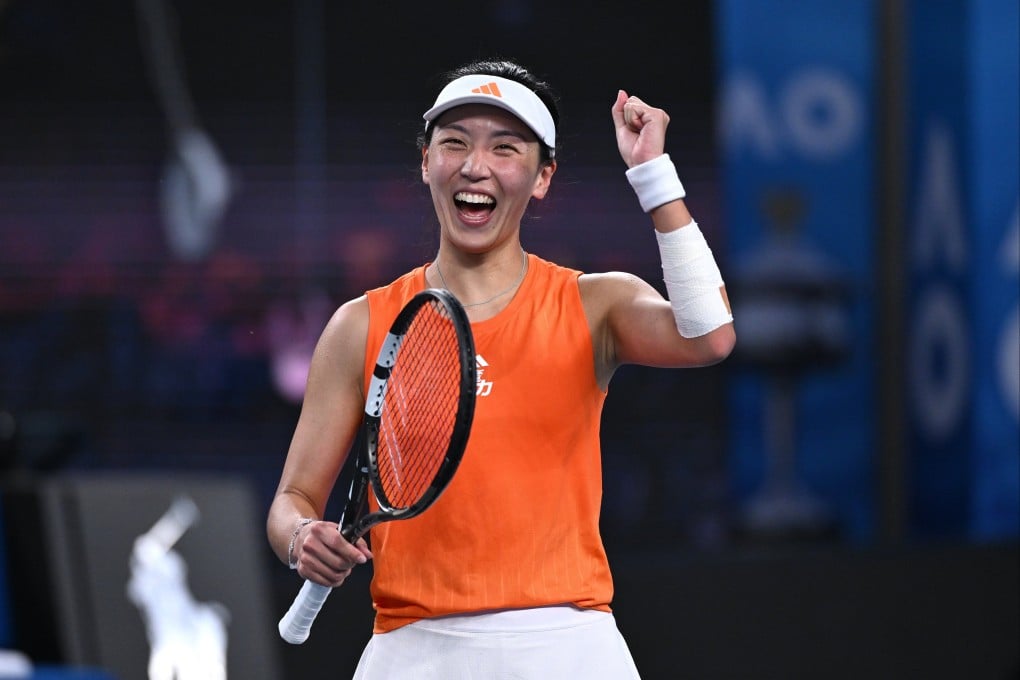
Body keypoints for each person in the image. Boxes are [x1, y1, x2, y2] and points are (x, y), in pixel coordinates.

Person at [267, 58, 736, 678]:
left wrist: (652, 174)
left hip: (569, 647)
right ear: (426, 162)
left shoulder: (596, 304)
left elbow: (709, 335)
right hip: (412, 650)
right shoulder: (360, 324)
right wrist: (302, 536)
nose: (475, 165)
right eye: (454, 143)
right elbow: (292, 500)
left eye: (505, 148)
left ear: (543, 177)